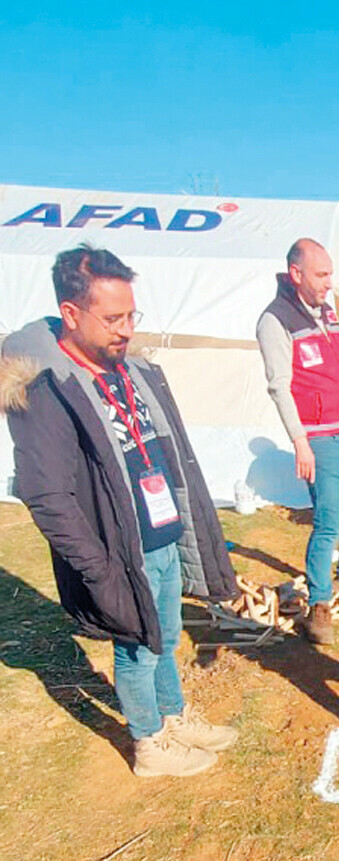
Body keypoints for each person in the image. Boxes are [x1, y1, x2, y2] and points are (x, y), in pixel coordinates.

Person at [0, 246, 238, 777]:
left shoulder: (129, 369)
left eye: (132, 315)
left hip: (162, 535)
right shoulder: (49, 388)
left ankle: (172, 715)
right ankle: (150, 744)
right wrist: (100, 570)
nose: (126, 329)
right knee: (136, 649)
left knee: (167, 635)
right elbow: (46, 494)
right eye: (112, 318)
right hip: (119, 550)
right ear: (71, 314)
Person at [257, 238, 339, 645]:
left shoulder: (326, 312)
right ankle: (319, 605)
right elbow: (279, 387)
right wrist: (300, 442)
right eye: (322, 275)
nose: (329, 283)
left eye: (330, 274)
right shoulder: (275, 321)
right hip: (319, 440)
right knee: (328, 520)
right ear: (296, 274)